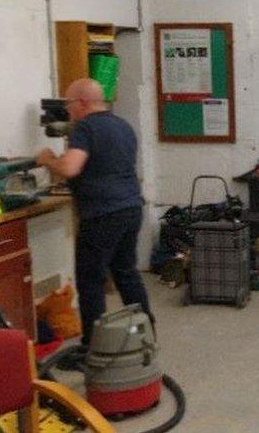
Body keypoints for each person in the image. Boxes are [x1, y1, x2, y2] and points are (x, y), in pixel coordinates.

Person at [36, 79, 152, 352]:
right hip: (131, 207)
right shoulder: (123, 126)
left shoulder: (85, 128)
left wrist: (48, 160)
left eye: (69, 105)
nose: (68, 111)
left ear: (83, 103)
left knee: (91, 280)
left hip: (102, 214)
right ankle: (146, 332)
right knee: (126, 272)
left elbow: (71, 168)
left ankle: (94, 348)